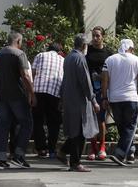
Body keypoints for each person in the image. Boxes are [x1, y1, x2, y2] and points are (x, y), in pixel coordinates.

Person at [0, 32, 35, 170]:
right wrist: (32, 93)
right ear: (18, 41)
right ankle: (18, 156)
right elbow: (25, 75)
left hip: (2, 95)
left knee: (4, 126)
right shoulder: (19, 54)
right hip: (17, 95)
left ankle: (1, 158)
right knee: (27, 123)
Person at [57, 34, 99, 172]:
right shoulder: (80, 58)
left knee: (75, 131)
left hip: (70, 99)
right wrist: (93, 100)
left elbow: (65, 80)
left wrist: (62, 98)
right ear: (83, 46)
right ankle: (75, 163)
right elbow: (85, 82)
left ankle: (63, 151)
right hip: (79, 101)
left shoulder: (68, 57)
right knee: (80, 132)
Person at [102, 38, 138, 165]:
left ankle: (131, 152)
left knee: (122, 127)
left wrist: (105, 98)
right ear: (131, 48)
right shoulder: (137, 59)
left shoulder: (109, 60)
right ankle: (120, 153)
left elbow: (104, 81)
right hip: (130, 98)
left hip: (114, 99)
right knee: (130, 126)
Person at [85, 26, 113, 160]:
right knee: (90, 119)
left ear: (103, 37)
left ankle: (102, 147)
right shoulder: (87, 51)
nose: (95, 38)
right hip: (89, 89)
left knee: (101, 119)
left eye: (98, 36)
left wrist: (102, 78)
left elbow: (112, 74)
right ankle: (92, 147)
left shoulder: (109, 54)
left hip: (102, 90)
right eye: (93, 36)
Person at [32, 42, 64, 158]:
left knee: (37, 121)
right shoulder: (62, 60)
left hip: (38, 91)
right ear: (59, 51)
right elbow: (63, 79)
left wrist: (30, 94)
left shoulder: (40, 55)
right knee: (54, 123)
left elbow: (33, 73)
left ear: (48, 49)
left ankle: (41, 149)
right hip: (54, 93)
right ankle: (51, 150)